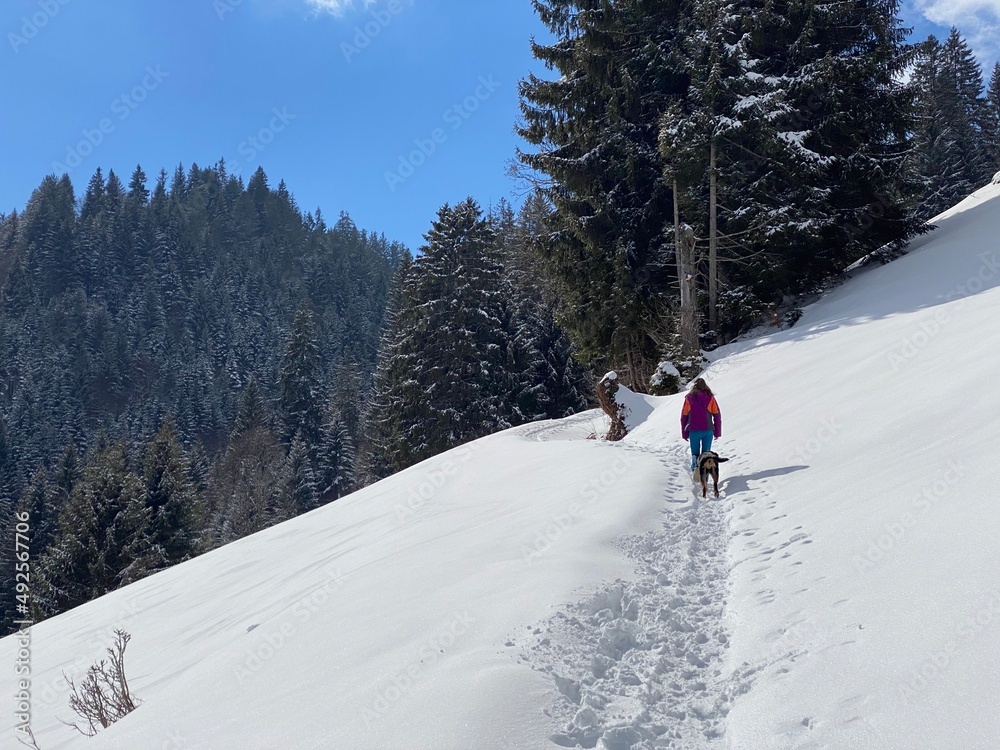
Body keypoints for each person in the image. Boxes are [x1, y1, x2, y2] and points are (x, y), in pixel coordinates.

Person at [680, 378, 722, 471]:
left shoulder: (689, 398)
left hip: (693, 430)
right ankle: (705, 476)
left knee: (695, 453)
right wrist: (717, 432)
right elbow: (717, 415)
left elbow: (684, 417)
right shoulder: (710, 398)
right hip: (708, 430)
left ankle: (695, 465)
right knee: (706, 454)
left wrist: (684, 433)